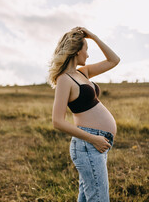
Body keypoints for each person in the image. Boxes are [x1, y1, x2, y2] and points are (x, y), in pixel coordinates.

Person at [47, 27, 120, 202]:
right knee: (99, 198)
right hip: (89, 145)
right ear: (77, 50)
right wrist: (93, 139)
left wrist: (93, 37)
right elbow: (57, 121)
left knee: (87, 198)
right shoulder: (65, 79)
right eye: (86, 49)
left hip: (96, 144)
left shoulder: (82, 73)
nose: (87, 55)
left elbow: (114, 60)